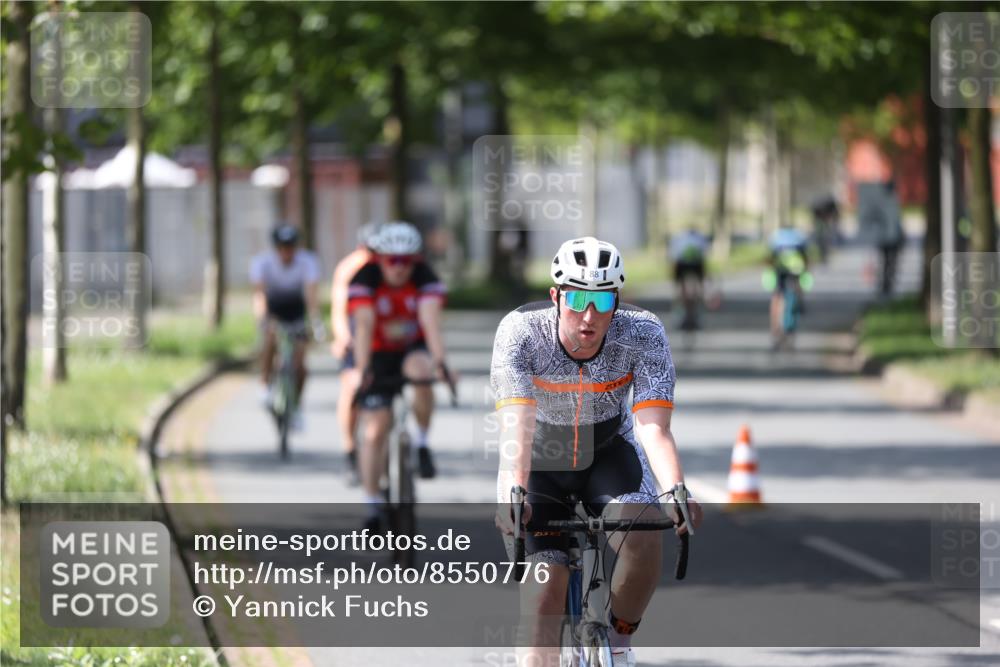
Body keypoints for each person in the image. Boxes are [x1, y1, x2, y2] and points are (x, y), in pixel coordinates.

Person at [491, 236, 703, 667]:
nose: (589, 316)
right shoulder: (521, 332)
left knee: (643, 533)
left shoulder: (642, 333)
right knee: (542, 604)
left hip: (609, 450)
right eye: (577, 299)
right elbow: (516, 426)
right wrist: (513, 492)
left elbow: (654, 427)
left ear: (617, 302)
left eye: (603, 302)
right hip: (539, 460)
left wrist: (676, 489)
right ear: (555, 296)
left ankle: (620, 647)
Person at [347, 222, 450, 529]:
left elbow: (430, 321)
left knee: (422, 373)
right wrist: (363, 370)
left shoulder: (424, 277)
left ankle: (421, 443)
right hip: (377, 353)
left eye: (407, 260)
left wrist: (441, 362)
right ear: (378, 258)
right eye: (392, 260)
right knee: (375, 431)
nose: (400, 268)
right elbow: (363, 326)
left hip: (410, 349)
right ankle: (372, 506)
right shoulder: (364, 278)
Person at [250, 224, 323, 430]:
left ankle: (297, 406)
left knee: (300, 365)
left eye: (290, 247)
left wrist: (315, 321)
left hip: (296, 310)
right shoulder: (263, 263)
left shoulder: (307, 261)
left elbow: (311, 294)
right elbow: (260, 295)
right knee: (269, 339)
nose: (286, 252)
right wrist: (262, 319)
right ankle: (264, 384)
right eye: (282, 247)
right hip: (274, 309)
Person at [330, 222, 381, 483]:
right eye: (370, 249)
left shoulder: (391, 266)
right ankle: (350, 450)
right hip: (354, 329)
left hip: (383, 331)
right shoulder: (350, 268)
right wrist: (342, 337)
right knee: (351, 389)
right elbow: (339, 308)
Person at [767, 226, 809, 348]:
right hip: (795, 274)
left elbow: (770, 259)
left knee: (777, 300)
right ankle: (788, 326)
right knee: (794, 296)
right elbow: (805, 260)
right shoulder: (798, 242)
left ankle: (775, 330)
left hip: (781, 274)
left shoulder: (777, 242)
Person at [669, 228, 710, 330]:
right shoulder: (699, 239)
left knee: (682, 290)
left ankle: (685, 312)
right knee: (695, 289)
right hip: (692, 263)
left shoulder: (679, 240)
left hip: (685, 263)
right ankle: (691, 312)